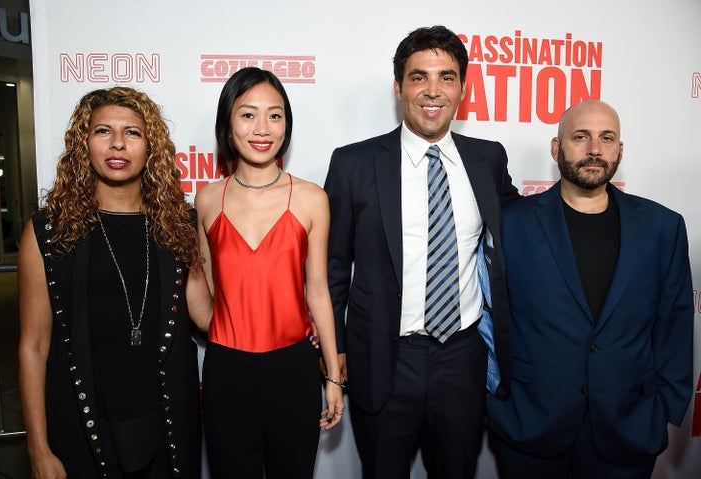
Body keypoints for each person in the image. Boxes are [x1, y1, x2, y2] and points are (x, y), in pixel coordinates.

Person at [324, 25, 519, 478]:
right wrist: (333, 353)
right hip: (382, 358)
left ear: (462, 89)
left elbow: (523, 234)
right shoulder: (354, 164)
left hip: (464, 359)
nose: (433, 91)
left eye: (447, 77)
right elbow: (334, 268)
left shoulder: (488, 159)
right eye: (419, 77)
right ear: (399, 87)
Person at [486, 100, 694, 479]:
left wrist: (662, 409)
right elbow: (488, 318)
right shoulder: (510, 224)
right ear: (556, 147)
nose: (594, 149)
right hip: (530, 428)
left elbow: (675, 327)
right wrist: (496, 402)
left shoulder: (663, 227)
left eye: (606, 138)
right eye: (580, 137)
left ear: (619, 150)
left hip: (628, 431)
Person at [18, 86, 212, 479]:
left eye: (133, 133)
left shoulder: (180, 224)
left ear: (150, 147)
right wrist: (38, 448)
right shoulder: (49, 232)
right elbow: (34, 346)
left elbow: (209, 318)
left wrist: (294, 319)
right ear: (83, 144)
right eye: (103, 131)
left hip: (168, 428)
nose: (118, 143)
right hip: (83, 427)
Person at [195, 66, 344, 479]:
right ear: (228, 122)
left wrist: (332, 376)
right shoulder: (206, 199)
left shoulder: (312, 199)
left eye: (275, 115)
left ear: (286, 125)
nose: (262, 128)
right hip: (226, 372)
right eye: (248, 114)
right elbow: (206, 292)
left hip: (294, 371)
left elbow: (318, 292)